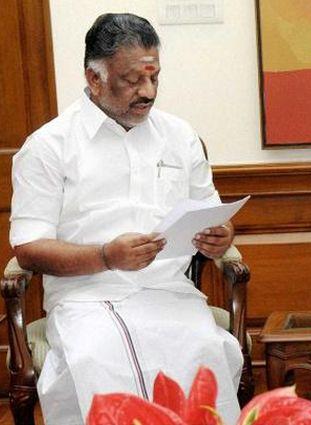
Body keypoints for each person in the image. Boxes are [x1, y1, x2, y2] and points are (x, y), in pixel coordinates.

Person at [10, 13, 243, 424]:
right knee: (99, 363)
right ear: (94, 78)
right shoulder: (48, 146)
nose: (148, 92)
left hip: (168, 292)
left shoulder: (180, 136)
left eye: (154, 78)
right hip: (86, 297)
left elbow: (214, 215)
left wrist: (219, 237)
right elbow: (29, 249)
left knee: (205, 351)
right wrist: (106, 256)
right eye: (132, 80)